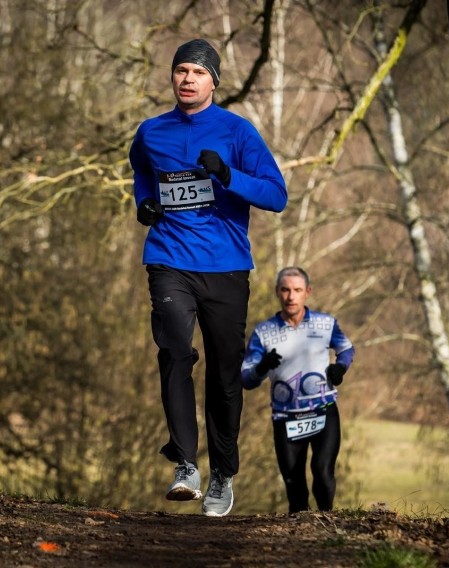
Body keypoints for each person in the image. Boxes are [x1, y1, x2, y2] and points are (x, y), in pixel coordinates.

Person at [128, 38, 287, 517]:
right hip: (169, 259)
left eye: (197, 72)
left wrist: (229, 177)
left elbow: (276, 195)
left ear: (214, 81)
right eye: (180, 70)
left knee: (223, 372)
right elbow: (140, 172)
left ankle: (222, 474)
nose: (187, 79)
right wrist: (144, 204)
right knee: (175, 350)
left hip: (225, 267)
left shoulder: (237, 132)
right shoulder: (151, 132)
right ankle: (185, 465)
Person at [241, 266, 355, 513]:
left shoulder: (326, 324)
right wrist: (262, 367)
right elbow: (246, 379)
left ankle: (327, 522)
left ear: (307, 292)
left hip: (323, 411)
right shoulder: (263, 332)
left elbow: (346, 349)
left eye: (297, 290)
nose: (291, 297)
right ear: (277, 293)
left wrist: (340, 368)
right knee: (295, 487)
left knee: (323, 474)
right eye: (285, 290)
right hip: (285, 417)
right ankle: (298, 541)